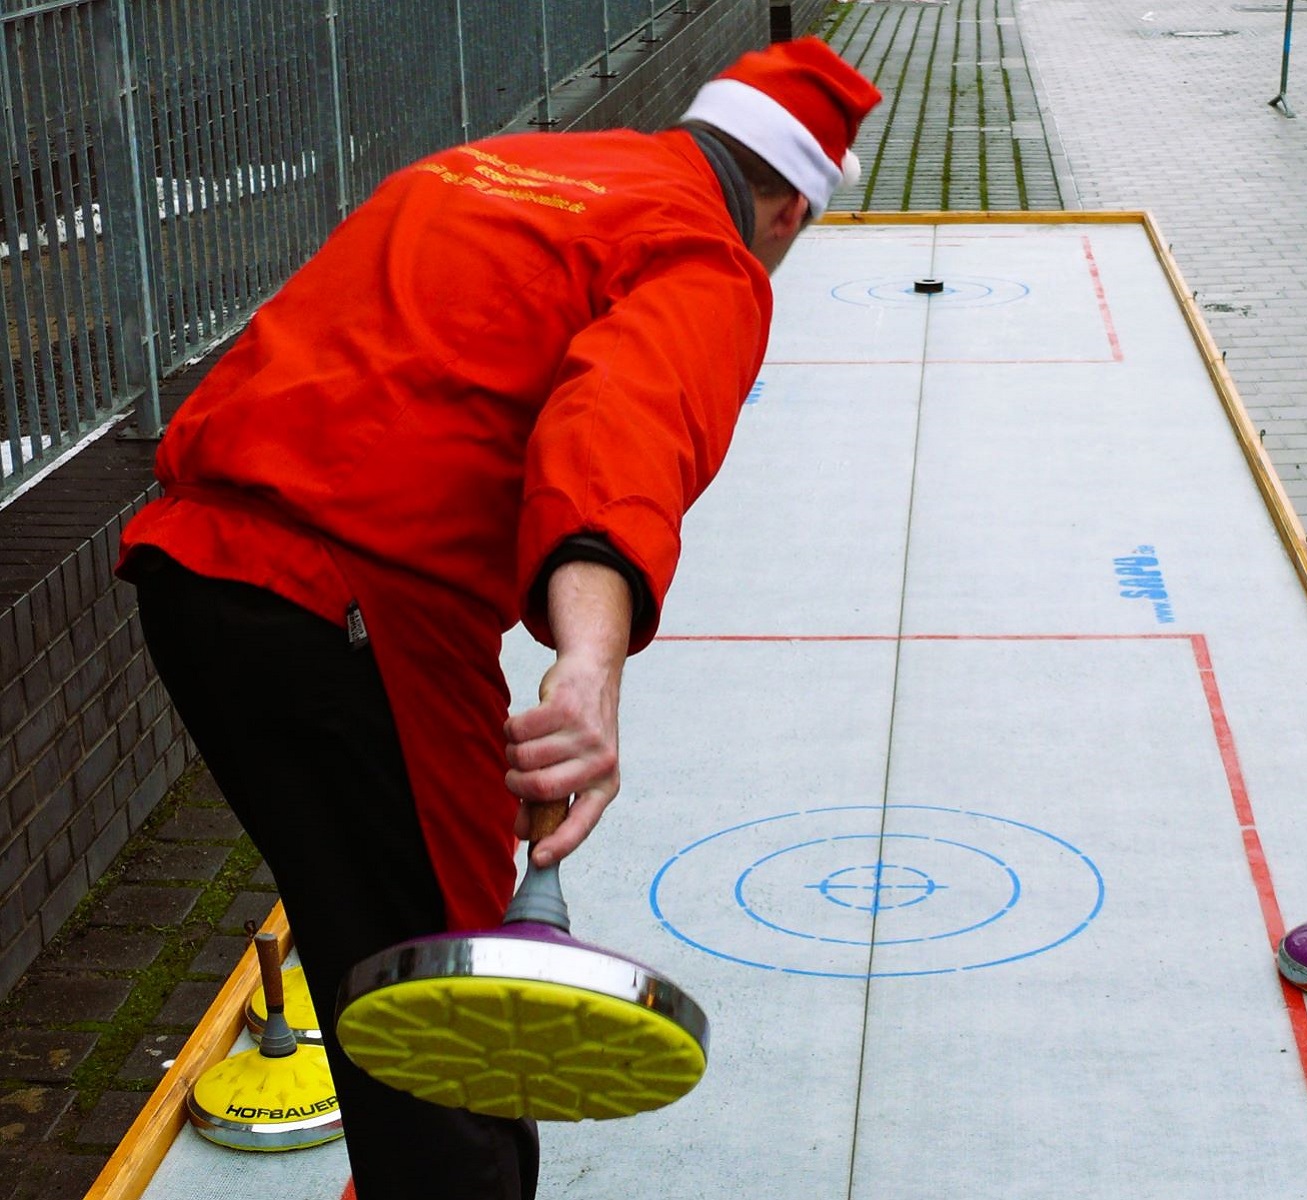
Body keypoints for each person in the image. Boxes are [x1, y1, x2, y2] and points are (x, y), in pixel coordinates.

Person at [116, 37, 881, 1200]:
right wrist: (588, 664)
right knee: (456, 1000)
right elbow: (622, 430)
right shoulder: (708, 256)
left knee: (359, 934)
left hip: (189, 569)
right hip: (353, 606)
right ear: (784, 207)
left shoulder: (487, 166)